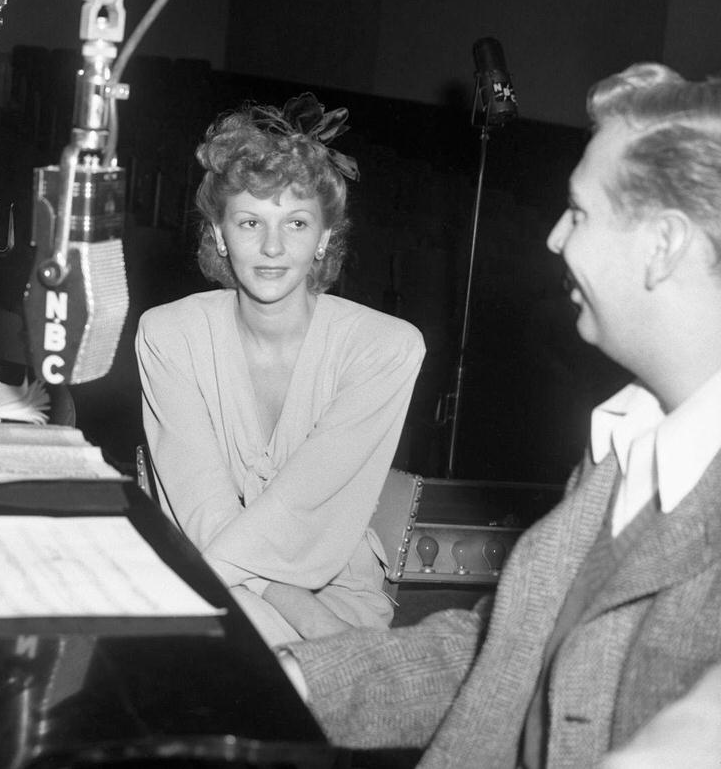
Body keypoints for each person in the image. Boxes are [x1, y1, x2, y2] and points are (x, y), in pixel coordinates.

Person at [281, 63, 721, 768]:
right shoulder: (627, 437)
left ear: (661, 246)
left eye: (577, 212)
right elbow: (507, 658)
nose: (554, 240)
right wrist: (295, 679)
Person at [136, 94, 426, 646]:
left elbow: (306, 518)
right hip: (211, 580)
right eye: (250, 222)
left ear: (323, 239)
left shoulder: (385, 348)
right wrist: (301, 615)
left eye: (295, 223)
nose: (272, 247)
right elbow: (202, 516)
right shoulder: (168, 335)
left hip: (332, 591)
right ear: (220, 235)